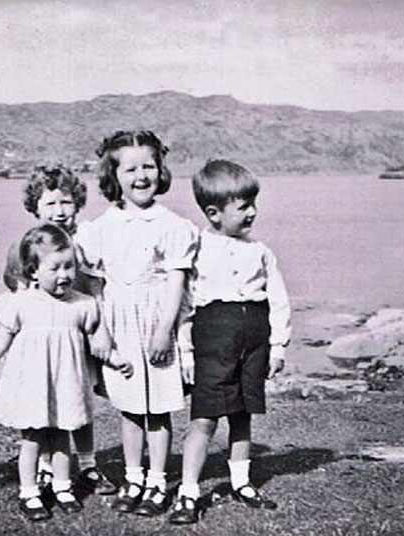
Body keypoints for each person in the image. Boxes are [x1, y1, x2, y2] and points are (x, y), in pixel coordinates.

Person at [74, 130, 197, 517]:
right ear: (114, 175)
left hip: (156, 322)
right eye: (130, 169)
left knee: (157, 409)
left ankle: (158, 481)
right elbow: (95, 285)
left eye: (149, 166)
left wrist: (166, 330)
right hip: (119, 323)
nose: (141, 175)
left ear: (161, 171)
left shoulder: (172, 225)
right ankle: (133, 476)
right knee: (129, 408)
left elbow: (177, 281)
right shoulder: (100, 227)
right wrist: (102, 333)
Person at [168, 159, 290, 524]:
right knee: (205, 418)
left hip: (254, 337)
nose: (252, 212)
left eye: (254, 204)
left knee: (242, 413)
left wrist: (278, 345)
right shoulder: (197, 248)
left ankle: (241, 482)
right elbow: (186, 305)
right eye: (243, 207)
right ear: (214, 212)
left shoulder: (262, 251)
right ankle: (188, 491)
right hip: (213, 338)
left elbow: (278, 299)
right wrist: (186, 351)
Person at [0, 224, 127, 521]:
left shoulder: (82, 304)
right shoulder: (21, 303)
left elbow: (96, 343)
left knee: (63, 435)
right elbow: (3, 336)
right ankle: (29, 492)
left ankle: (62, 487)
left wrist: (116, 360)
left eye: (69, 267)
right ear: (33, 271)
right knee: (33, 439)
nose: (64, 275)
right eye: (55, 268)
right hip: (33, 385)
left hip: (66, 383)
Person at [0, 165, 118, 496]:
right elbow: (16, 288)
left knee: (78, 400)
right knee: (44, 401)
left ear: (77, 203)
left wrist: (103, 331)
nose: (59, 211)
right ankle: (45, 467)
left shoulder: (84, 241)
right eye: (50, 204)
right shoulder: (28, 246)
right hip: (45, 340)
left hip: (80, 332)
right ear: (35, 207)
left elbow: (96, 288)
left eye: (65, 202)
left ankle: (89, 464)